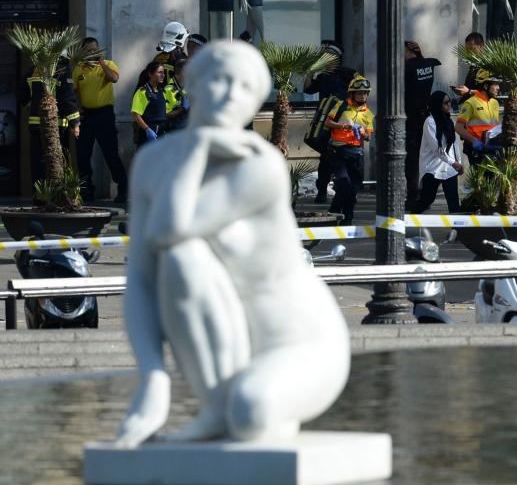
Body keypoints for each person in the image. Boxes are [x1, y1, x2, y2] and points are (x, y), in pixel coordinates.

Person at [115, 39, 348, 448]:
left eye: (244, 88)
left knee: (251, 410)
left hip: (302, 342)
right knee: (182, 259)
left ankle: (226, 410)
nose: (229, 95)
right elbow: (142, 277)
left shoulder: (259, 165)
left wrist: (200, 145)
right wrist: (153, 375)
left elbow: (172, 226)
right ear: (193, 85)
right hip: (231, 348)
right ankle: (215, 408)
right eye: (219, 80)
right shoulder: (153, 163)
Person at [73, 36, 128, 203]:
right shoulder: (79, 69)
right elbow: (75, 92)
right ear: (83, 52)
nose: (93, 52)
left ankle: (123, 188)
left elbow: (114, 78)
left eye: (95, 49)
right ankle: (86, 190)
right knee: (83, 155)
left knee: (110, 153)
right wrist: (78, 109)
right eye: (89, 50)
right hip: (86, 117)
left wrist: (101, 63)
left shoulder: (108, 64)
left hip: (104, 115)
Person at [304, 42, 356, 204]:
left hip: (342, 122)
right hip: (325, 121)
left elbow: (361, 91)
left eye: (327, 54)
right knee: (326, 156)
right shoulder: (322, 76)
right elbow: (307, 88)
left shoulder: (348, 73)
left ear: (335, 57)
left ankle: (347, 191)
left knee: (345, 156)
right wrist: (309, 72)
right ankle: (322, 191)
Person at [24, 57, 81, 187]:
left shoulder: (35, 69)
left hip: (35, 124)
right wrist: (75, 122)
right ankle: (57, 194)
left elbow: (22, 92)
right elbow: (68, 98)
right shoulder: (62, 69)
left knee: (38, 162)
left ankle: (40, 196)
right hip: (56, 125)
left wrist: (32, 106)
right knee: (57, 161)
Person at [327, 75, 375, 225]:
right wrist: (343, 126)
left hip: (356, 153)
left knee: (352, 190)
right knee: (344, 184)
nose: (363, 96)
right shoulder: (341, 106)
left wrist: (363, 133)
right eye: (359, 93)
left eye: (365, 93)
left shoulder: (368, 113)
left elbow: (369, 136)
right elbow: (327, 123)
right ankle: (336, 214)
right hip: (339, 151)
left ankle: (346, 218)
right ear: (352, 93)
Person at [404, 40, 442, 209]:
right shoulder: (429, 63)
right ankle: (425, 195)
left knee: (411, 158)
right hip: (426, 116)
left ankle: (413, 196)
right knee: (426, 155)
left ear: (408, 51)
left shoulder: (407, 68)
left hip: (411, 117)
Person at [412, 90, 464, 213]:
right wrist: (454, 163)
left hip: (449, 167)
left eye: (450, 102)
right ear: (437, 105)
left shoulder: (448, 121)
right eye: (446, 103)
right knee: (427, 200)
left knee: (454, 203)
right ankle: (408, 223)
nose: (449, 105)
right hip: (433, 168)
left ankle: (458, 231)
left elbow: (454, 144)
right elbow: (437, 149)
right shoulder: (430, 122)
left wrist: (458, 162)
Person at [456, 70, 502, 159]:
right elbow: (458, 127)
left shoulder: (495, 103)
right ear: (485, 86)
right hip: (476, 150)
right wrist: (474, 141)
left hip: (492, 148)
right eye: (495, 84)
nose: (498, 88)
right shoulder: (470, 103)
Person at [131, 62, 169, 146]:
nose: (163, 75)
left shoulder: (162, 91)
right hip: (148, 133)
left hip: (162, 132)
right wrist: (147, 129)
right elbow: (135, 114)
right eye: (160, 72)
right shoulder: (142, 92)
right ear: (150, 74)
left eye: (163, 73)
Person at [453, 31, 486, 101]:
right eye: (467, 50)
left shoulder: (487, 68)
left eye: (471, 49)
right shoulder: (473, 66)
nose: (469, 53)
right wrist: (462, 91)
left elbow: (486, 97)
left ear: (481, 46)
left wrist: (468, 91)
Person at [164, 59, 190, 132]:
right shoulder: (168, 90)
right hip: (175, 132)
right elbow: (166, 115)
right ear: (181, 72)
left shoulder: (188, 87)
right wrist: (183, 108)